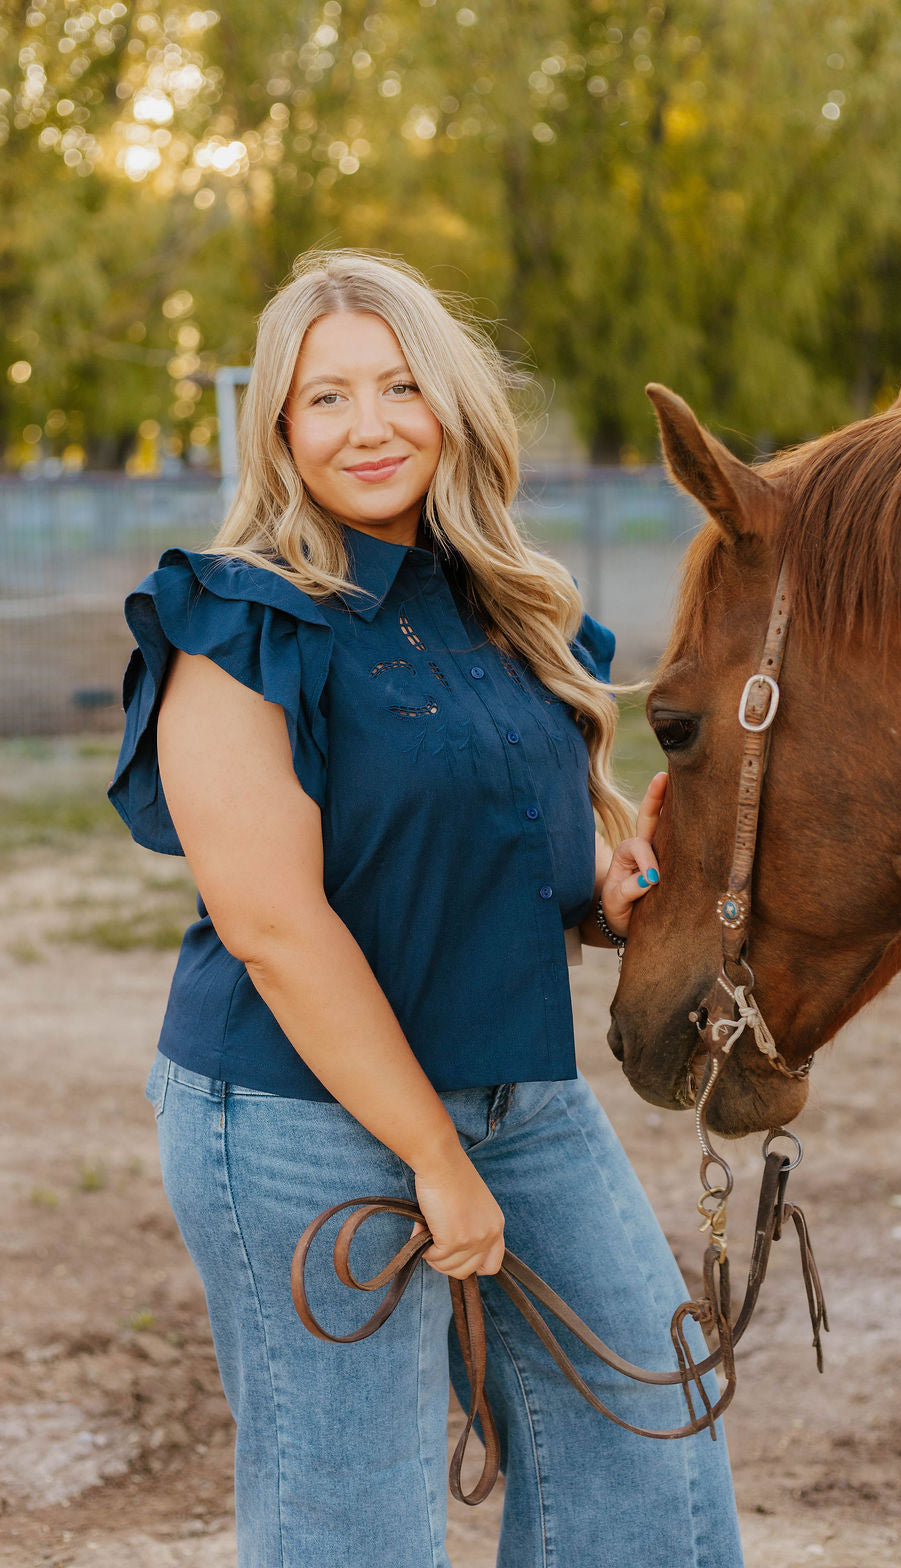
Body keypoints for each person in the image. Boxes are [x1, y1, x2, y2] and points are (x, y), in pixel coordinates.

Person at [108, 249, 744, 1568]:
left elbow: (504, 844)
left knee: (651, 1446)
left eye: (400, 386)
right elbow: (275, 926)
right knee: (359, 1526)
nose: (370, 426)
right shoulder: (238, 622)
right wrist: (436, 1163)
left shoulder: (507, 609)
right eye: (327, 397)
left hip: (517, 1096)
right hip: (295, 1115)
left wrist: (604, 897)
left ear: (451, 404)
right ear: (279, 428)